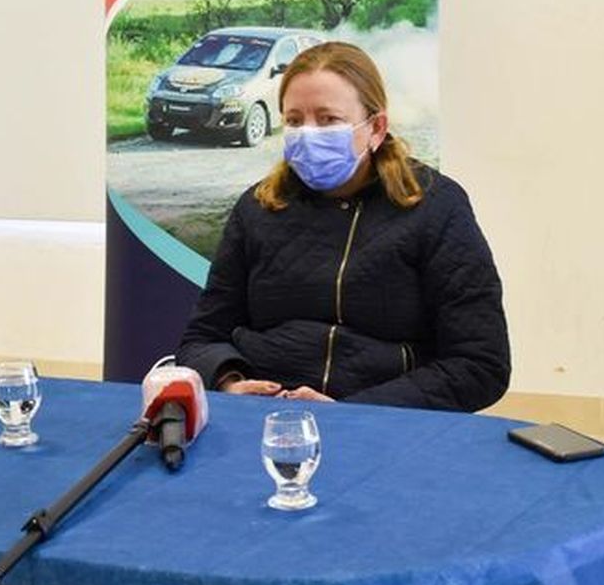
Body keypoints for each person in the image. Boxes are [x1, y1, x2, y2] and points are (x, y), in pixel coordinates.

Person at [177, 41, 510, 411]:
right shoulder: (257, 208)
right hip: (266, 420)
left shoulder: (436, 207)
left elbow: (481, 364)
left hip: (382, 427)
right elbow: (202, 337)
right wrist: (229, 382)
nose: (307, 133)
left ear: (376, 128)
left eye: (328, 119)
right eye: (294, 120)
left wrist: (352, 412)